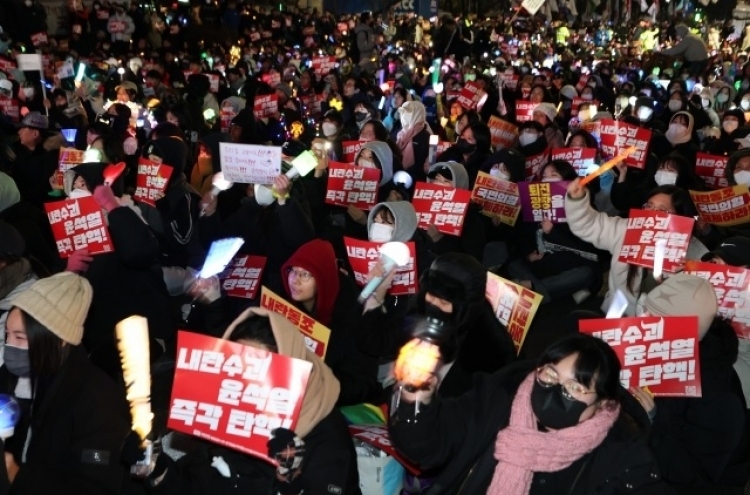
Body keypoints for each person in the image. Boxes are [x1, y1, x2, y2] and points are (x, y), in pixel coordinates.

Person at [388, 333, 669, 494]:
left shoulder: (620, 455)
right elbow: (425, 445)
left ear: (603, 403)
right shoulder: (496, 399)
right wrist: (416, 397)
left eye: (576, 387)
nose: (558, 390)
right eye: (550, 374)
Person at [144, 308, 361, 494]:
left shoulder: (325, 432)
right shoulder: (227, 407)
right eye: (237, 366)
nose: (247, 379)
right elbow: (197, 482)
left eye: (261, 370)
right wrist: (157, 469)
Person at [0, 272, 131, 493]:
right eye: (7, 335)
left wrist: (18, 476)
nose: (10, 346)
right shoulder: (12, 374)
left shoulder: (99, 402)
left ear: (59, 339)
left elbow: (96, 484)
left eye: (20, 337)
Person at [636, 274, 750, 494]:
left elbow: (692, 476)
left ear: (685, 333)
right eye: (644, 311)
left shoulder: (719, 397)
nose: (641, 321)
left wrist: (652, 417)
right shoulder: (664, 350)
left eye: (654, 319)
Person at [565, 179, 708, 315]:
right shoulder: (626, 229)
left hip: (660, 325)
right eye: (649, 205)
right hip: (618, 312)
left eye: (662, 210)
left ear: (680, 217)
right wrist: (577, 201)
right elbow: (589, 225)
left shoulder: (695, 252)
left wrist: (687, 273)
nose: (652, 213)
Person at [280, 239, 379, 405]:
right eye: (292, 271)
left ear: (323, 279)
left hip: (327, 402)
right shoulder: (280, 302)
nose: (295, 280)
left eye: (305, 274)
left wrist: (315, 383)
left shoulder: (353, 317)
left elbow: (361, 383)